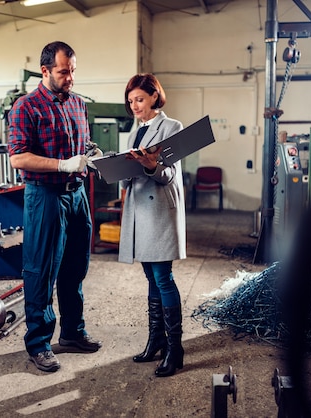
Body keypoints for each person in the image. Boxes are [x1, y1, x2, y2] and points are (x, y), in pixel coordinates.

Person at [7, 41, 102, 373]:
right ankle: (39, 344)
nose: (70, 78)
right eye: (64, 71)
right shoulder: (25, 107)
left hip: (77, 195)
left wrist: (91, 154)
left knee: (76, 267)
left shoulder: (77, 104)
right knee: (41, 270)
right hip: (45, 196)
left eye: (73, 70)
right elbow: (18, 156)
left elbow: (82, 143)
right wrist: (63, 165)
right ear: (45, 70)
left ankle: (73, 333)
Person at [118, 73, 187, 377]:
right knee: (150, 276)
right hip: (139, 211)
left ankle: (175, 349)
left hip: (159, 210)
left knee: (162, 276)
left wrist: (151, 165)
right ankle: (156, 340)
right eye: (131, 100)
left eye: (140, 99)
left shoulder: (172, 128)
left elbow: (169, 175)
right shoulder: (136, 131)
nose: (135, 105)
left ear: (155, 97)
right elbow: (129, 170)